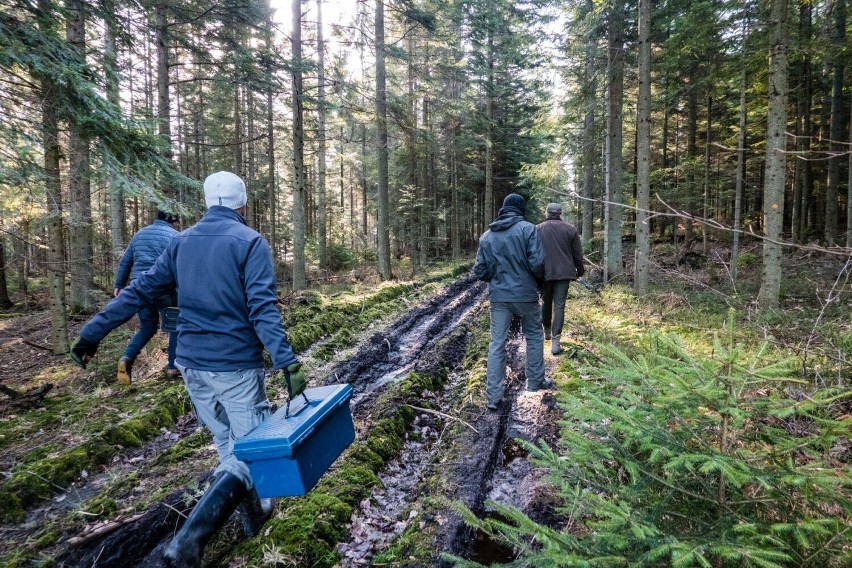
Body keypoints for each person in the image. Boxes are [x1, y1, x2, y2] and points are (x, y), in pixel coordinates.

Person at [69, 171, 308, 568]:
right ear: (242, 204)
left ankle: (253, 512)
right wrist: (287, 361)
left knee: (227, 443)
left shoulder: (181, 242)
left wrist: (92, 332)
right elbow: (262, 308)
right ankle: (187, 543)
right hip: (234, 365)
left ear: (207, 202)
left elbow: (139, 290)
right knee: (248, 451)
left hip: (192, 365)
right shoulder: (251, 242)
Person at [473, 193, 551, 412]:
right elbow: (537, 263)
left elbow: (480, 270)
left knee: (497, 344)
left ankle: (493, 397)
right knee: (534, 336)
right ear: (521, 210)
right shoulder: (529, 229)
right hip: (526, 295)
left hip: (499, 298)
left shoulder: (487, 236)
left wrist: (496, 278)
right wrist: (536, 281)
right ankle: (535, 382)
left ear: (503, 209)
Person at [113, 209, 180, 384]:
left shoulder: (139, 234)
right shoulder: (175, 236)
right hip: (165, 288)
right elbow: (180, 263)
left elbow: (126, 261)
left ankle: (127, 358)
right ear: (173, 221)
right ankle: (173, 367)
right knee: (174, 326)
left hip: (140, 288)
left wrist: (119, 285)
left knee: (147, 327)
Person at [536, 203, 585, 355]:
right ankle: (555, 344)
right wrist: (580, 271)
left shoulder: (537, 229)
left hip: (545, 273)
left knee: (546, 302)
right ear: (560, 213)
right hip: (564, 273)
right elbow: (577, 254)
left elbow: (532, 253)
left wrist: (534, 273)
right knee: (559, 306)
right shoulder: (570, 229)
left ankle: (547, 333)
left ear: (547, 212)